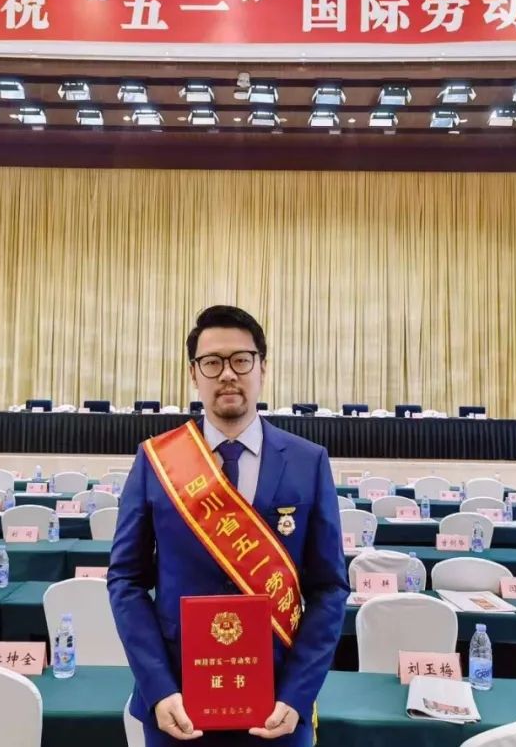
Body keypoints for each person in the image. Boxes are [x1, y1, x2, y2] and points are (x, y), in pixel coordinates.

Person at [108, 305, 348, 746]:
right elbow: (126, 580)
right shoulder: (158, 460)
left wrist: (297, 694)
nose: (228, 374)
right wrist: (159, 687)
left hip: (279, 705)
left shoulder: (307, 461)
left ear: (262, 368)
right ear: (193, 373)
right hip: (176, 706)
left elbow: (330, 587)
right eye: (212, 362)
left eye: (241, 360)